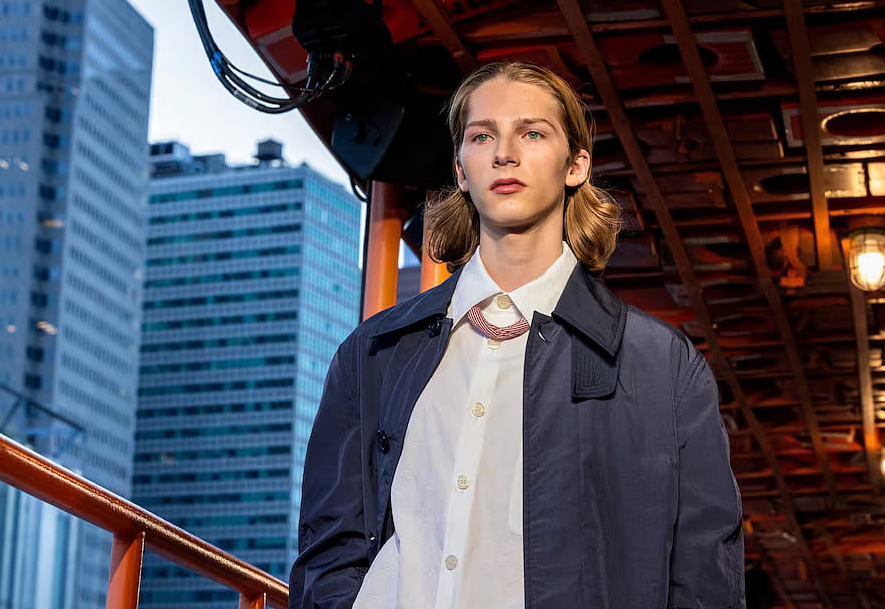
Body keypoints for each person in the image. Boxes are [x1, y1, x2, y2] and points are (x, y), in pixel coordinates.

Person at [289, 61, 745, 608]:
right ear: (461, 169)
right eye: (482, 136)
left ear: (576, 164)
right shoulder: (374, 353)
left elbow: (705, 578)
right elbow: (327, 546)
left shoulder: (663, 367)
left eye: (532, 132)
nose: (505, 153)